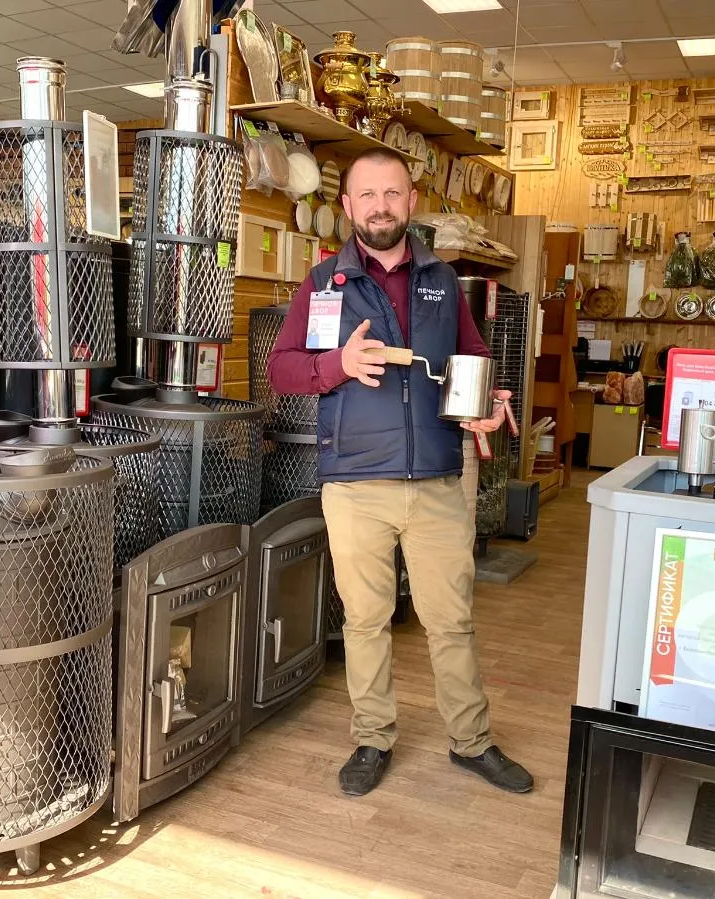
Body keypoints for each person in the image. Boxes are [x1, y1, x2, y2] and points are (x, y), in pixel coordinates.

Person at [266, 146, 533, 798]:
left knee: (451, 620)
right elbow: (281, 369)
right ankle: (372, 738)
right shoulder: (323, 284)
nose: (380, 206)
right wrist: (338, 365)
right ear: (348, 205)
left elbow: (472, 355)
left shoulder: (443, 280)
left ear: (411, 202)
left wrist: (485, 400)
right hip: (356, 483)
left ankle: (472, 742)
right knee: (365, 622)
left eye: (392, 193)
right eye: (367, 195)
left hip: (439, 478)